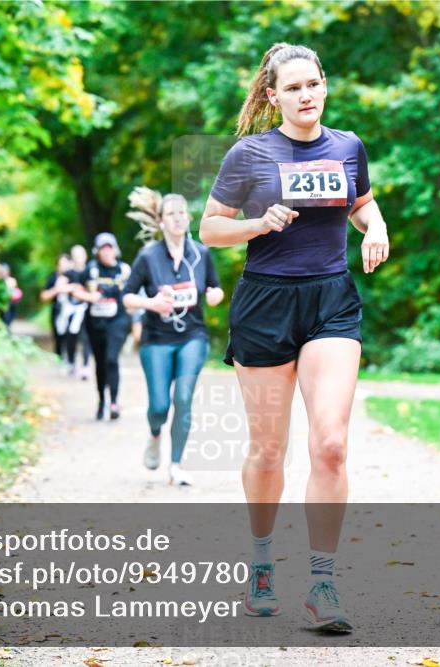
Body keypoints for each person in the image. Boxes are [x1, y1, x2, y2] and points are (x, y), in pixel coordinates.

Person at [198, 43, 390, 632]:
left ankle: (323, 583)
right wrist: (259, 222)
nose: (306, 95)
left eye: (314, 84)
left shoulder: (348, 145)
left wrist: (375, 226)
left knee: (330, 443)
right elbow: (210, 229)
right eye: (293, 87)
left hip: (331, 299)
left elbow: (361, 203)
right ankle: (260, 562)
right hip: (266, 302)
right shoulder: (250, 154)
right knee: (269, 449)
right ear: (272, 95)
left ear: (324, 86)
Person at [122, 188, 224, 487]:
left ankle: (177, 464)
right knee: (158, 406)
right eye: (171, 214)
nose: (178, 219)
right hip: (156, 338)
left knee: (183, 398)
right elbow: (127, 297)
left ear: (188, 218)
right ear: (162, 221)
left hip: (193, 335)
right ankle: (155, 434)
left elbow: (214, 288)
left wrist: (215, 294)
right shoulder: (148, 257)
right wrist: (150, 303)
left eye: (182, 213)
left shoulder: (200, 254)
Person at [70, 233, 133, 420]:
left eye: (110, 248)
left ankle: (114, 402)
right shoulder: (91, 270)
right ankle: (101, 400)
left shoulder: (124, 270)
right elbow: (75, 290)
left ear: (115, 250)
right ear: (97, 252)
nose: (107, 252)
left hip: (118, 321)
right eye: (103, 249)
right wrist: (89, 297)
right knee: (100, 363)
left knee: (112, 359)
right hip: (95, 323)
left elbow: (134, 291)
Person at [40, 253, 73, 359]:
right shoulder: (53, 277)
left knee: (72, 335)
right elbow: (43, 296)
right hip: (57, 310)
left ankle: (71, 360)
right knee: (58, 336)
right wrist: (57, 289)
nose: (63, 267)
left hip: (73, 311)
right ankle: (59, 358)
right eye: (61, 264)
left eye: (66, 264)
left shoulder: (75, 276)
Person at [66, 244, 92, 380]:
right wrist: (72, 288)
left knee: (86, 338)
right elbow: (60, 287)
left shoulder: (90, 271)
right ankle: (71, 362)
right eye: (76, 255)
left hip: (87, 309)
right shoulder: (68, 273)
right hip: (72, 309)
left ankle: (86, 366)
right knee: (71, 337)